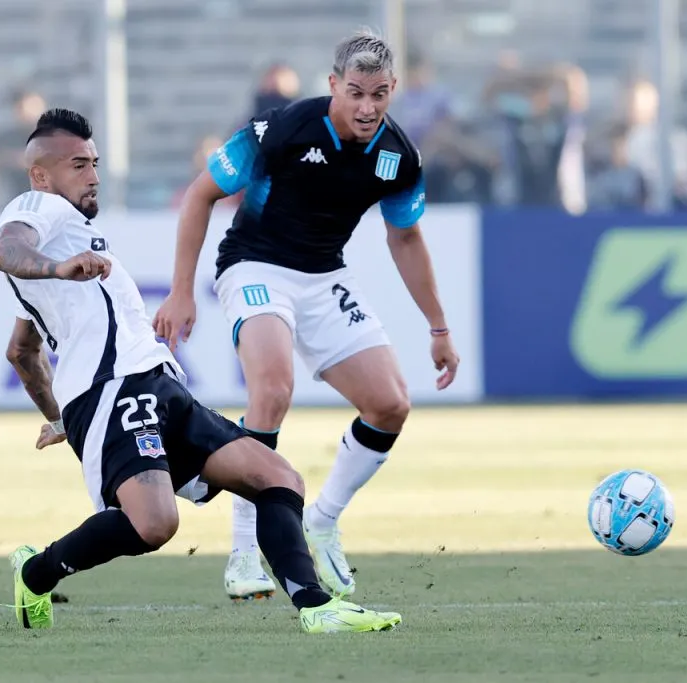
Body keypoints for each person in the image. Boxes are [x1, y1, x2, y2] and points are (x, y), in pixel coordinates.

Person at [0, 108, 400, 634]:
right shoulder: (34, 209)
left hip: (157, 384)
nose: (93, 175)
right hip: (115, 388)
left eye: (94, 162)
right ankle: (36, 571)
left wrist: (61, 416)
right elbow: (6, 249)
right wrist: (55, 268)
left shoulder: (72, 242)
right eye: (77, 165)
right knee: (155, 524)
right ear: (41, 175)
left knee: (277, 477)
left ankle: (317, 608)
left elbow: (22, 352)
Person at [154, 30, 460, 602]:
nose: (367, 108)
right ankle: (245, 551)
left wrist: (438, 327)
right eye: (355, 93)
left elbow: (407, 239)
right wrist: (180, 292)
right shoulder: (283, 129)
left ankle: (323, 518)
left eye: (379, 95)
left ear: (393, 90)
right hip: (253, 265)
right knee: (272, 388)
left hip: (324, 275)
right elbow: (201, 195)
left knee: (391, 403)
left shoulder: (399, 156)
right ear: (332, 87)